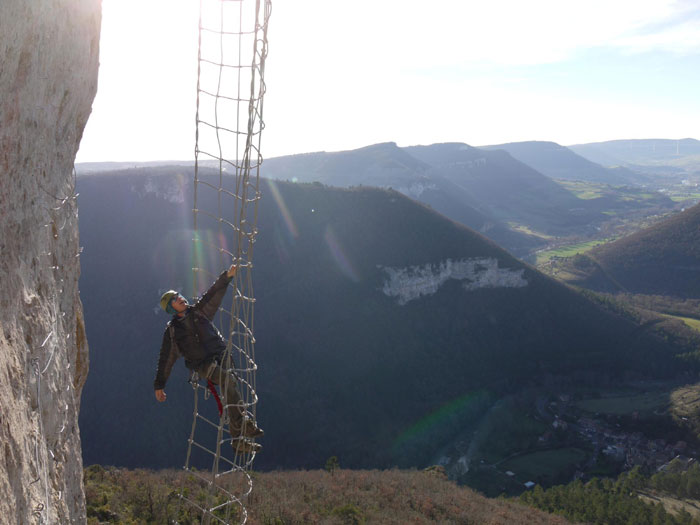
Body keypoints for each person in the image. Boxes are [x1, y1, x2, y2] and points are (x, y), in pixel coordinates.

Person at [154, 264, 263, 454]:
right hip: (203, 365)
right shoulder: (172, 332)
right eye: (175, 300)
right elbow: (166, 359)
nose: (180, 298)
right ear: (171, 309)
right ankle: (242, 424)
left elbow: (213, 294)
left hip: (221, 355)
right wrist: (159, 385)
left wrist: (226, 276)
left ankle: (238, 440)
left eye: (178, 296)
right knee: (228, 382)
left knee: (230, 389)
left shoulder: (198, 311)